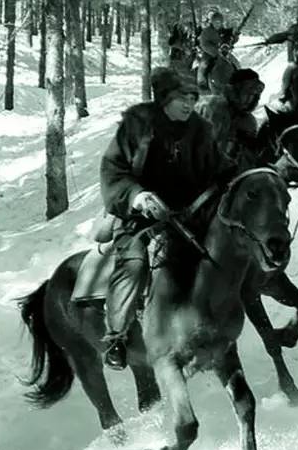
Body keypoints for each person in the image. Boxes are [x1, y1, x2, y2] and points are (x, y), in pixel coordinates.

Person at [99, 67, 234, 369]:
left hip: (189, 218)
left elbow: (220, 167)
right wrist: (137, 195)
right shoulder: (136, 125)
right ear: (163, 99)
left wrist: (257, 175)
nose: (188, 104)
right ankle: (116, 336)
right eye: (181, 98)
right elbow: (113, 169)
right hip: (139, 220)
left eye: (192, 97)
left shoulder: (199, 129)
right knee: (134, 265)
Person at [196, 67, 266, 168]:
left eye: (254, 95)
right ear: (235, 90)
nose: (250, 98)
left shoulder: (248, 121)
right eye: (246, 93)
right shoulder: (213, 106)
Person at [197, 10, 224, 84]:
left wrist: (234, 38)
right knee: (203, 65)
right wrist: (215, 51)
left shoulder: (224, 31)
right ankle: (201, 81)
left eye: (219, 22)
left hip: (223, 53)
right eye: (216, 22)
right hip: (209, 53)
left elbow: (229, 41)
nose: (218, 24)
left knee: (234, 62)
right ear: (212, 22)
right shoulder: (206, 32)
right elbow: (204, 44)